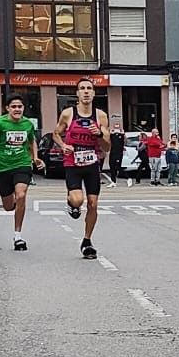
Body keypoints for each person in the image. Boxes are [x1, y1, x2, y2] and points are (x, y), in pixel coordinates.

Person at [54, 78, 111, 259]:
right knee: (78, 200)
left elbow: (107, 147)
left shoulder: (100, 116)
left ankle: (87, 241)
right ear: (77, 94)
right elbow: (56, 133)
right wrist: (63, 145)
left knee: (93, 204)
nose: (86, 92)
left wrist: (100, 134)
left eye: (89, 88)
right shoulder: (68, 114)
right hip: (73, 162)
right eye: (82, 89)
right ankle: (72, 203)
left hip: (92, 163)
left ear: (94, 93)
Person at [0, 94, 43, 251]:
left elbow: (32, 140)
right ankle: (14, 203)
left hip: (22, 164)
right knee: (8, 207)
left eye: (19, 106)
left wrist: (35, 157)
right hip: (2, 168)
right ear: (7, 109)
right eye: (13, 106)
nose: (17, 109)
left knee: (21, 195)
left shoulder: (27, 124)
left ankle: (18, 236)